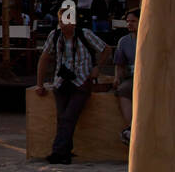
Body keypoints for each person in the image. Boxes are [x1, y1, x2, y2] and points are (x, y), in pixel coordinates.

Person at [35, 9, 110, 164]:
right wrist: (39, 84)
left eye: (67, 21)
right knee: (63, 118)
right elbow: (44, 59)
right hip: (61, 81)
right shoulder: (54, 36)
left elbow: (106, 49)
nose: (63, 25)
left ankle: (57, 152)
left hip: (81, 80)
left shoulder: (85, 34)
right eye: (61, 21)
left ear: (74, 22)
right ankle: (65, 153)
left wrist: (97, 68)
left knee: (68, 117)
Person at [113, 9, 139, 144]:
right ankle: (131, 127)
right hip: (132, 76)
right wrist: (117, 77)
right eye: (128, 21)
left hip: (149, 79)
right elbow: (119, 64)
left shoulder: (150, 38)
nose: (129, 24)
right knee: (123, 89)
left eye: (133, 21)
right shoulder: (124, 41)